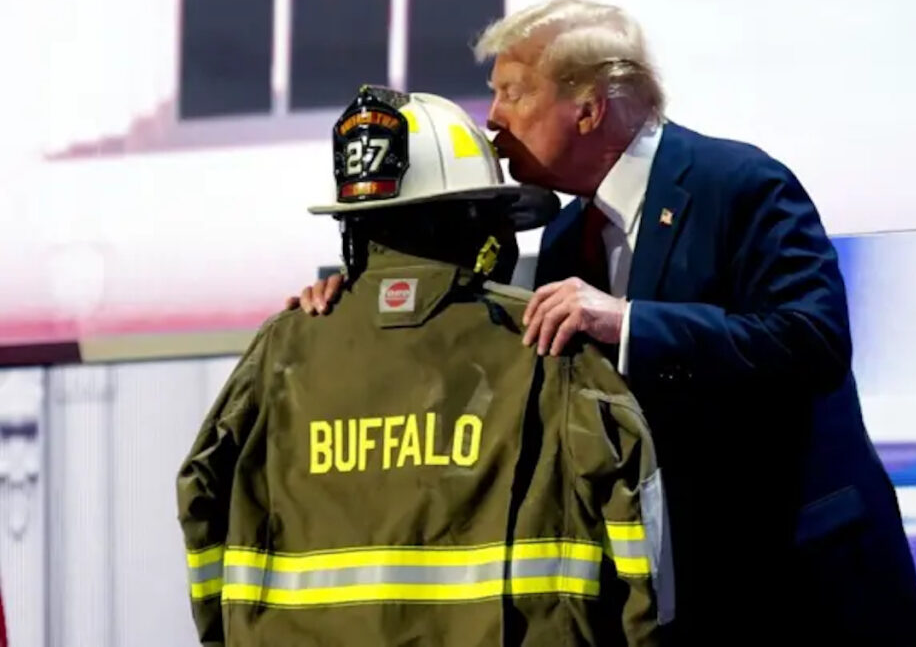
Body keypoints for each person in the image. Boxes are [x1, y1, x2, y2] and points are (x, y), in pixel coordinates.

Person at [292, 0, 916, 645]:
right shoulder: (567, 235)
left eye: (513, 92)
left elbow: (813, 341)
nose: (493, 119)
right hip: (684, 596)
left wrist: (630, 324)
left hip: (803, 588)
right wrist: (354, 303)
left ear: (590, 109)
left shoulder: (740, 184)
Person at [179, 87, 673, 646]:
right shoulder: (551, 346)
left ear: (355, 227)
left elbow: (201, 496)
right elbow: (638, 533)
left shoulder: (282, 349)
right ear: (474, 220)